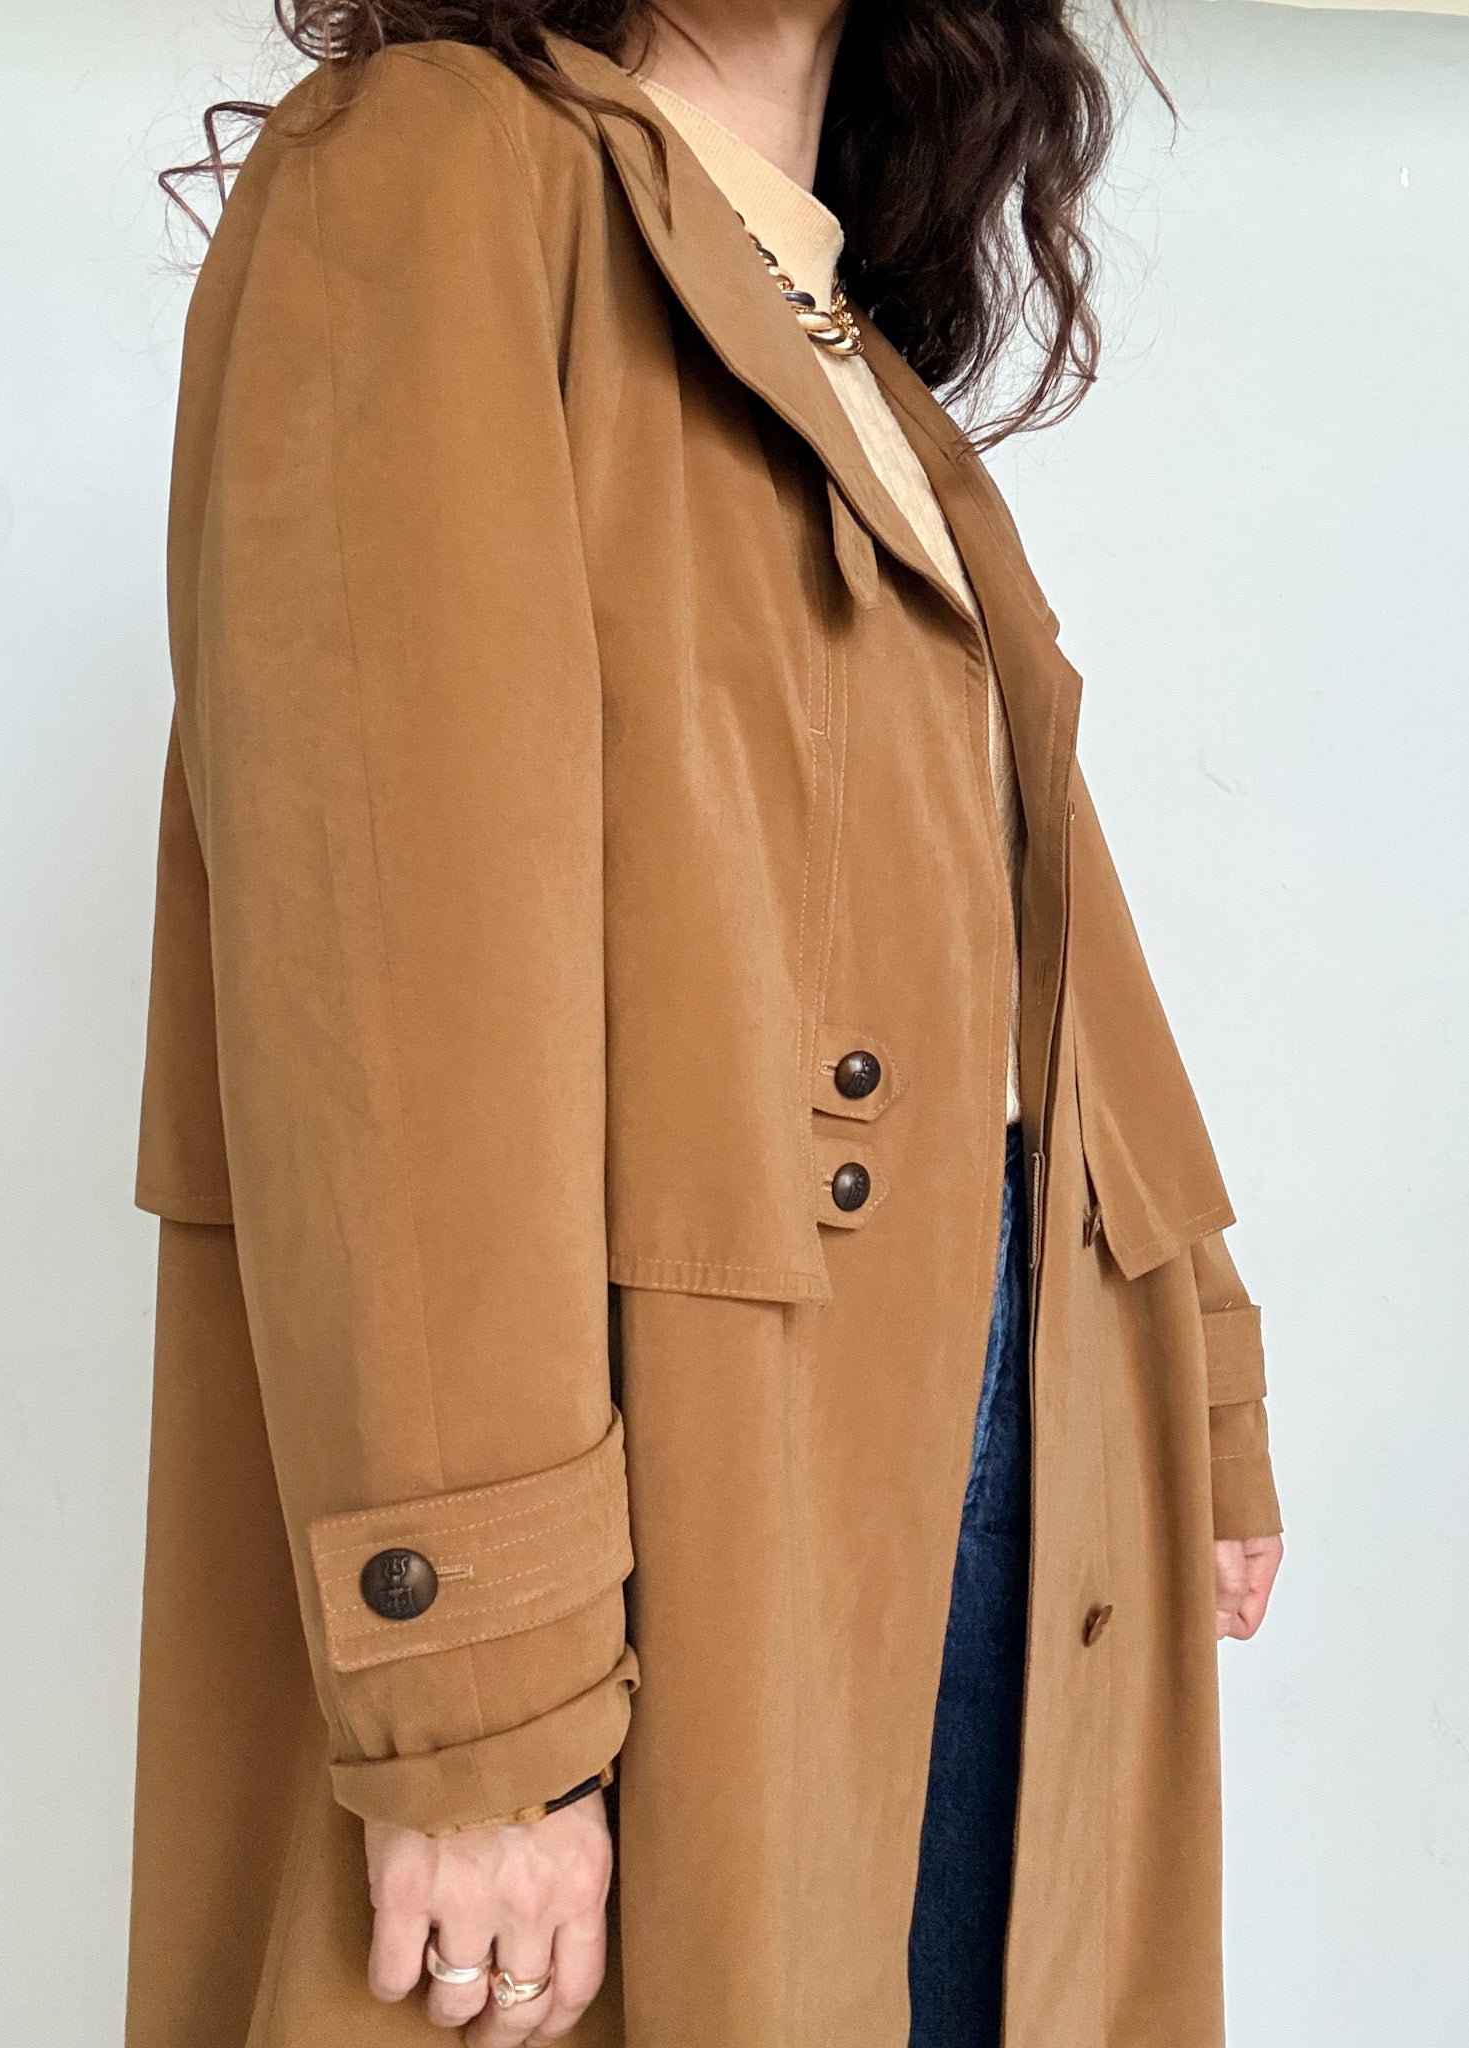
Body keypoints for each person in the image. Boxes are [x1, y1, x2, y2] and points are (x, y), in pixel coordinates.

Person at [128, 4, 1284, 2045]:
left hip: (1004, 1408)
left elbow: (1038, 920)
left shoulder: (828, 324)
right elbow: (381, 993)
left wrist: (1197, 1382)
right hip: (681, 1473)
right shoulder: (428, 165)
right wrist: (478, 1703)